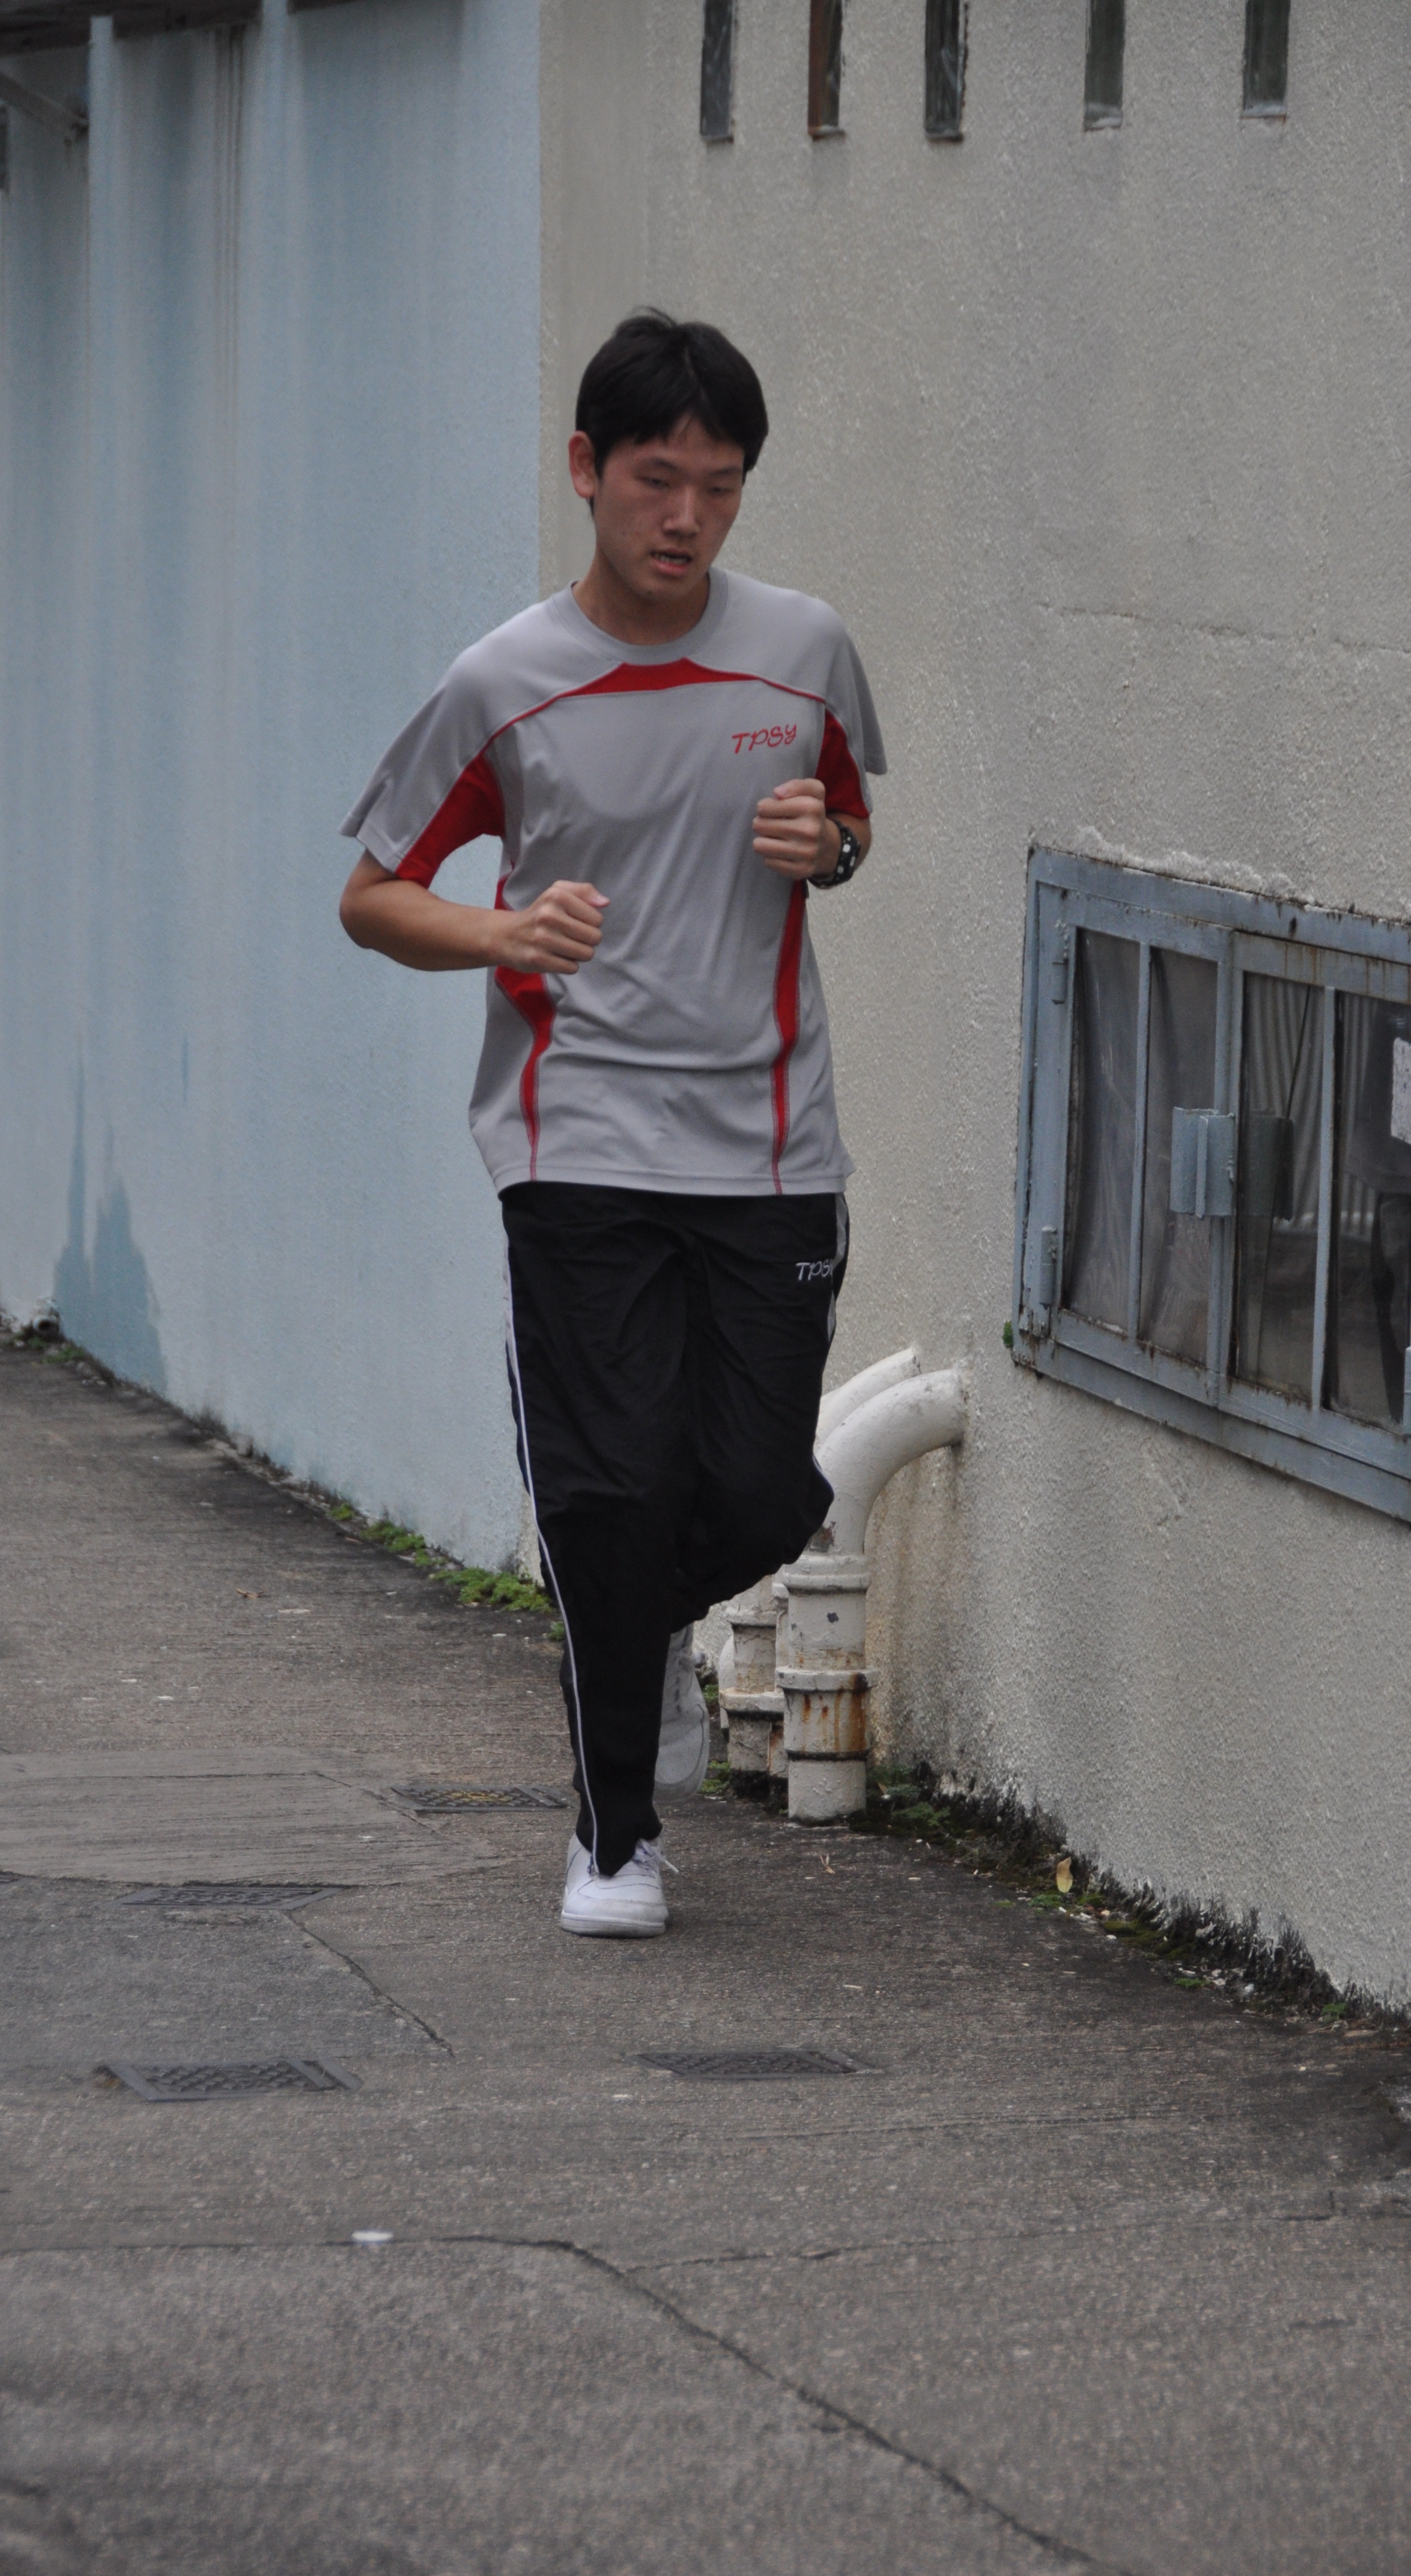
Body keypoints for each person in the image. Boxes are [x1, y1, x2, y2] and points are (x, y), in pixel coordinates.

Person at [338, 311, 883, 1938]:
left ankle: (629, 1632)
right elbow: (374, 895)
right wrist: (501, 933)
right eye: (657, 480)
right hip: (573, 1136)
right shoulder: (502, 684)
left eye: (721, 486)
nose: (687, 518)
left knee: (763, 1490)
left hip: (771, 1140)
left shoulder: (805, 652)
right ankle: (616, 1838)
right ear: (586, 470)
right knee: (610, 1488)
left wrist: (827, 848)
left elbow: (850, 826)